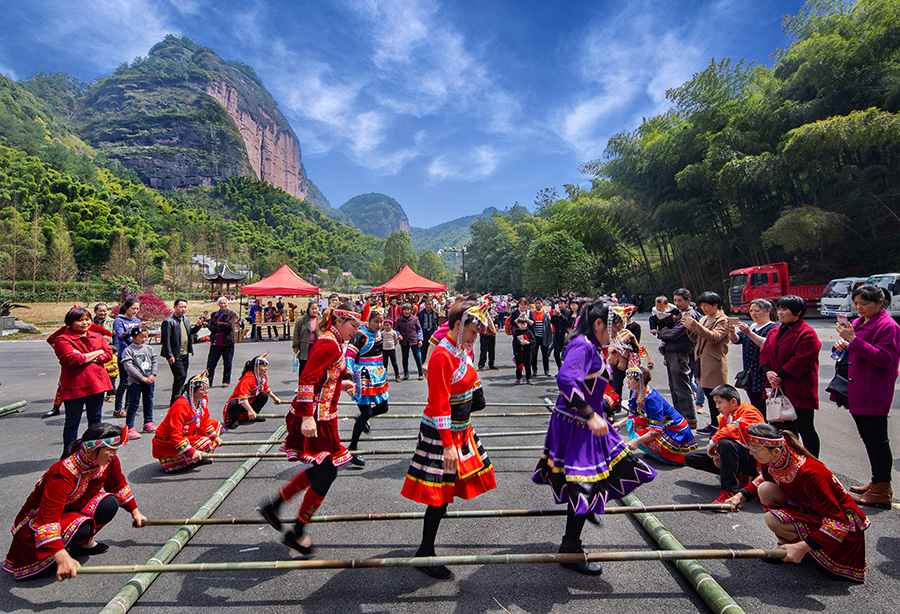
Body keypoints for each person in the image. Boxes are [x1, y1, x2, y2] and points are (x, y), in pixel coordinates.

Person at [533, 301, 657, 576]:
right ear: (598, 324)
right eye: (613, 328)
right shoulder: (584, 345)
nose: (615, 334)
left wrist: (602, 402)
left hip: (589, 423)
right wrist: (590, 413)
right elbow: (566, 380)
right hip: (578, 424)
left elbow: (587, 382)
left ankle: (581, 515)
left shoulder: (591, 345)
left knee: (614, 470)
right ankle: (571, 549)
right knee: (585, 484)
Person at [400, 300, 496, 580]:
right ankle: (425, 553)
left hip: (460, 428)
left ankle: (425, 551)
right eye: (472, 330)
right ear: (458, 325)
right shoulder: (443, 356)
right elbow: (440, 403)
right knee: (438, 495)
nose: (476, 335)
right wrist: (448, 445)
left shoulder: (461, 349)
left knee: (444, 494)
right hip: (444, 432)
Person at [261, 304, 361, 554]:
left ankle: (276, 506)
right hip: (315, 416)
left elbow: (325, 377)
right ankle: (296, 529)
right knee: (327, 473)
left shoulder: (335, 341)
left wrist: (343, 382)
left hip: (323, 415)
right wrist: (307, 417)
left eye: (358, 326)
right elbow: (306, 377)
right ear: (339, 321)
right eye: (353, 325)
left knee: (322, 470)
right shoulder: (330, 343)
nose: (355, 331)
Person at [725, 423, 869, 583]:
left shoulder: (810, 473)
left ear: (776, 451)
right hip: (812, 512)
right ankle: (786, 543)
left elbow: (838, 523)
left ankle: (802, 549)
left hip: (843, 533)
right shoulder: (776, 458)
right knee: (766, 489)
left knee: (772, 519)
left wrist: (802, 548)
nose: (750, 452)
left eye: (755, 448)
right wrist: (741, 496)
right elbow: (765, 479)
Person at [3, 423, 147, 581]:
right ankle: (51, 557)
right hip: (35, 523)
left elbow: (117, 486)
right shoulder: (62, 475)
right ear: (91, 449)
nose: (114, 454)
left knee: (109, 503)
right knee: (82, 526)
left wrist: (135, 512)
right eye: (110, 449)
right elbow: (47, 521)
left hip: (69, 512)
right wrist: (62, 557)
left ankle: (80, 545)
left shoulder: (107, 462)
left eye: (116, 449)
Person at [833, 284, 900, 507]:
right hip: (857, 387)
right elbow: (856, 348)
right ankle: (877, 481)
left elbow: (884, 358)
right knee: (869, 438)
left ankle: (882, 489)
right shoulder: (861, 322)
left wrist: (853, 340)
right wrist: (843, 344)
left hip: (874, 390)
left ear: (880, 303)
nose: (859, 308)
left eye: (864, 304)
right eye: (856, 303)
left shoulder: (888, 326)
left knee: (877, 440)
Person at [760, 295, 822, 457]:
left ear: (798, 312)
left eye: (785, 309)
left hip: (798, 388)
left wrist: (778, 375)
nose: (780, 312)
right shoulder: (774, 331)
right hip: (777, 387)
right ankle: (790, 460)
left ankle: (811, 462)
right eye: (779, 309)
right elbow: (763, 353)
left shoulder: (807, 333)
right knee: (784, 429)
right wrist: (768, 372)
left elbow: (801, 359)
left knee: (805, 427)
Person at [47, 307, 114, 451]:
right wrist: (97, 352)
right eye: (80, 320)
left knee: (96, 419)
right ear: (70, 322)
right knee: (72, 422)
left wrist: (88, 357)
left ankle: (95, 451)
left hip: (96, 384)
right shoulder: (62, 340)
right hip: (75, 386)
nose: (85, 323)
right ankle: (69, 453)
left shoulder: (96, 336)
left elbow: (108, 353)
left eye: (87, 319)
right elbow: (73, 360)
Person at [684, 384, 764, 504]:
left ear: (733, 402)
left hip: (754, 460)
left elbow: (732, 430)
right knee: (691, 457)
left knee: (725, 443)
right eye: (715, 403)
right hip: (735, 456)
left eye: (719, 403)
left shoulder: (749, 412)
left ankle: (729, 490)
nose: (717, 406)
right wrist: (717, 455)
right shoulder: (726, 415)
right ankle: (736, 475)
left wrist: (713, 442)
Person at [615, 366, 697, 465]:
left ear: (641, 380)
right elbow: (633, 416)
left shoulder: (652, 399)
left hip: (676, 431)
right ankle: (655, 452)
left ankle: (662, 453)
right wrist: (619, 424)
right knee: (634, 422)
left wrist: (636, 441)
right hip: (662, 426)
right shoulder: (635, 393)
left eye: (631, 379)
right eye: (628, 378)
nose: (627, 381)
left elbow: (656, 429)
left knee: (639, 430)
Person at [345, 306, 390, 467]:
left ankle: (362, 419)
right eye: (375, 321)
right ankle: (353, 448)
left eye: (381, 321)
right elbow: (349, 356)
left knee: (383, 407)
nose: (379, 325)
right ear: (368, 321)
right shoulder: (360, 335)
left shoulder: (379, 333)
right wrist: (349, 376)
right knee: (365, 412)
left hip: (377, 376)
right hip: (362, 376)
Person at [152, 372, 221, 472]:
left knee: (215, 425)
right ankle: (186, 459)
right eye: (202, 389)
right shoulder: (181, 406)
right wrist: (190, 451)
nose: (206, 392)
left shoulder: (202, 399)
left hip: (187, 433)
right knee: (206, 442)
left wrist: (215, 437)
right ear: (192, 390)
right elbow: (175, 435)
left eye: (207, 388)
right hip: (168, 441)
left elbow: (204, 421)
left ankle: (198, 456)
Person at [684, 291, 730, 435]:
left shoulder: (722, 320)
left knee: (716, 396)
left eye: (707, 305)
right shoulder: (705, 319)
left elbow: (715, 337)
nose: (704, 308)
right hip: (702, 360)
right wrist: (690, 329)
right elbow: (695, 338)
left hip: (714, 362)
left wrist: (696, 326)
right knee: (709, 394)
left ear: (716, 305)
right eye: (702, 305)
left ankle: (719, 425)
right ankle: (714, 424)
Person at [727, 299, 777, 413]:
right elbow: (736, 340)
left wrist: (749, 333)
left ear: (768, 311)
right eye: (751, 311)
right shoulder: (752, 326)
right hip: (750, 372)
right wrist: (731, 332)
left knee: (768, 406)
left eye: (757, 311)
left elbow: (766, 344)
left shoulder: (773, 328)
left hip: (765, 371)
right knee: (755, 403)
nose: (753, 313)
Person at [658, 289, 699, 429]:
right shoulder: (677, 313)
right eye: (675, 300)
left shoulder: (690, 315)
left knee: (681, 386)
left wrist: (662, 334)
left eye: (679, 300)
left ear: (688, 300)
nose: (677, 303)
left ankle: (689, 417)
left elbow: (675, 334)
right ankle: (679, 416)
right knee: (674, 386)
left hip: (680, 352)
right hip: (672, 352)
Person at [161, 298, 205, 407]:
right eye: (181, 307)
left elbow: (190, 332)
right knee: (180, 375)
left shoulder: (185, 320)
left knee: (183, 375)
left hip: (185, 353)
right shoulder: (168, 322)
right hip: (175, 354)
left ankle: (179, 396)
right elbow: (165, 341)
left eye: (185, 307)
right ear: (174, 307)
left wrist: (198, 326)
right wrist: (169, 355)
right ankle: (175, 398)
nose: (183, 309)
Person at [223, 354, 283, 429]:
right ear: (256, 367)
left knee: (263, 395)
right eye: (263, 366)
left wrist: (275, 398)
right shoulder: (248, 378)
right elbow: (242, 398)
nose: (266, 368)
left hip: (249, 400)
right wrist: (250, 410)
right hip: (239, 403)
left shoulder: (262, 376)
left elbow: (265, 388)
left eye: (266, 366)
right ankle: (235, 419)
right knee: (233, 403)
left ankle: (255, 415)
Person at [120, 325, 158, 439]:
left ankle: (148, 422)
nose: (144, 339)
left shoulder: (148, 349)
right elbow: (129, 366)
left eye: (146, 337)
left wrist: (152, 374)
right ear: (134, 337)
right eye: (141, 337)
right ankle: (130, 427)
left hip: (149, 380)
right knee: (133, 404)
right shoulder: (129, 350)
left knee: (148, 401)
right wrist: (141, 378)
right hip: (135, 382)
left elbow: (154, 361)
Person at [112, 298, 141, 418]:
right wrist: (134, 332)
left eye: (137, 309)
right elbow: (120, 336)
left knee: (133, 383)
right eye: (133, 308)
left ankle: (129, 408)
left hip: (136, 355)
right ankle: (118, 409)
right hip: (124, 356)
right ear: (126, 308)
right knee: (124, 383)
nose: (135, 311)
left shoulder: (137, 320)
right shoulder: (119, 320)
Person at [206, 296, 238, 387]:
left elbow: (230, 326)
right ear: (218, 304)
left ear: (227, 304)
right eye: (221, 303)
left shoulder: (231, 314)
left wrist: (218, 324)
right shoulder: (214, 314)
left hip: (227, 342)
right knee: (210, 363)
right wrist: (220, 326)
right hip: (216, 342)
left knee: (227, 363)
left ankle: (226, 380)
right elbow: (211, 327)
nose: (223, 305)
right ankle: (208, 381)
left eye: (224, 303)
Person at [93, 303, 118, 404]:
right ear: (95, 312)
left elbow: (115, 337)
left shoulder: (112, 322)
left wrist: (115, 351)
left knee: (111, 374)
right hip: (94, 352)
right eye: (100, 311)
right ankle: (98, 393)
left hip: (109, 351)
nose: (102, 313)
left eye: (104, 311)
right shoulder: (90, 322)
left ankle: (111, 394)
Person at [395, 303, 424, 380]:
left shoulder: (415, 319)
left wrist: (420, 339)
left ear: (411, 310)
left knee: (417, 357)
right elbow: (396, 330)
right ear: (402, 311)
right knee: (405, 358)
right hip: (404, 341)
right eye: (405, 310)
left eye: (408, 310)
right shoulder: (399, 320)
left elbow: (419, 329)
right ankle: (406, 373)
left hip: (414, 340)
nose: (406, 311)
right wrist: (398, 334)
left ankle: (420, 373)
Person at [292, 301, 319, 377]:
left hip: (317, 346)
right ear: (309, 309)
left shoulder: (322, 319)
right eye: (312, 308)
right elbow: (296, 333)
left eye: (316, 308)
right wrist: (295, 345)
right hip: (305, 346)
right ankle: (301, 384)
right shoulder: (302, 320)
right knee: (304, 366)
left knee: (315, 366)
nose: (314, 310)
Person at [512, 315, 534, 384]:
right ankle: (518, 378)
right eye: (521, 324)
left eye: (524, 324)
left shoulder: (529, 332)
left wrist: (527, 342)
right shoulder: (516, 332)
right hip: (519, 352)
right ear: (518, 324)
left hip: (527, 351)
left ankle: (529, 378)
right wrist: (519, 343)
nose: (522, 325)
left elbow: (533, 340)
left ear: (526, 324)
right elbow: (514, 342)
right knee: (519, 365)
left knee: (528, 365)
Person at [477, 303, 497, 370]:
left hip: (492, 332)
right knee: (484, 349)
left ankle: (491, 363)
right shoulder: (480, 312)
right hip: (484, 332)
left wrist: (494, 316)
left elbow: (496, 317)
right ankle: (481, 364)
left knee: (492, 349)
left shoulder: (492, 310)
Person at [550, 301, 569, 369]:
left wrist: (560, 315)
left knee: (566, 355)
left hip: (566, 335)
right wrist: (554, 315)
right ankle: (560, 368)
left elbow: (567, 322)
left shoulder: (568, 312)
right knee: (556, 353)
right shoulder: (556, 312)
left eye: (561, 304)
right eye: (559, 304)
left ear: (565, 304)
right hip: (558, 335)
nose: (560, 305)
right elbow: (552, 322)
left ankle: (566, 369)